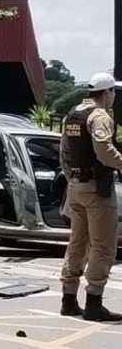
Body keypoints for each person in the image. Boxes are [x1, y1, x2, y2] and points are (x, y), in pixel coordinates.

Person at [59, 72, 122, 321]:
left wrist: (72, 178)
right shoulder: (99, 116)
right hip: (97, 189)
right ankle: (94, 302)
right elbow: (104, 151)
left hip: (76, 187)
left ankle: (69, 299)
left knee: (78, 242)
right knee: (103, 247)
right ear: (106, 93)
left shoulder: (72, 114)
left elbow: (64, 152)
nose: (114, 97)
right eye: (113, 93)